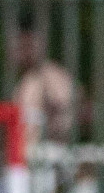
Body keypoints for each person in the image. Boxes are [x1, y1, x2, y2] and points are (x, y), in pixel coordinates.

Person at [10, 10, 80, 140]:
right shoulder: (26, 80)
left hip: (49, 153)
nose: (23, 52)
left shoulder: (53, 75)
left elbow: (64, 111)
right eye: (20, 47)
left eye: (27, 46)